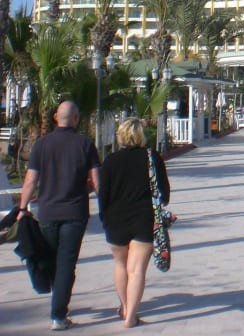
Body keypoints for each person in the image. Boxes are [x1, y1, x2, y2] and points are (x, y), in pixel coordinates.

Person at [17, 101, 101, 332]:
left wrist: (22, 208)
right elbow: (97, 182)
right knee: (66, 263)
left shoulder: (42, 144)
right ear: (76, 119)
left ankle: (58, 302)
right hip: (75, 212)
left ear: (56, 117)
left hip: (48, 212)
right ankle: (58, 313)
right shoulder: (85, 144)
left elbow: (31, 180)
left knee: (53, 260)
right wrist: (88, 191)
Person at [98, 118, 170, 328]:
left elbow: (103, 195)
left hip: (115, 220)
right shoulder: (152, 157)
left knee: (120, 264)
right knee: (136, 270)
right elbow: (164, 192)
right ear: (141, 135)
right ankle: (131, 317)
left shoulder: (110, 160)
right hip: (143, 218)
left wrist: (105, 218)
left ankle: (125, 308)